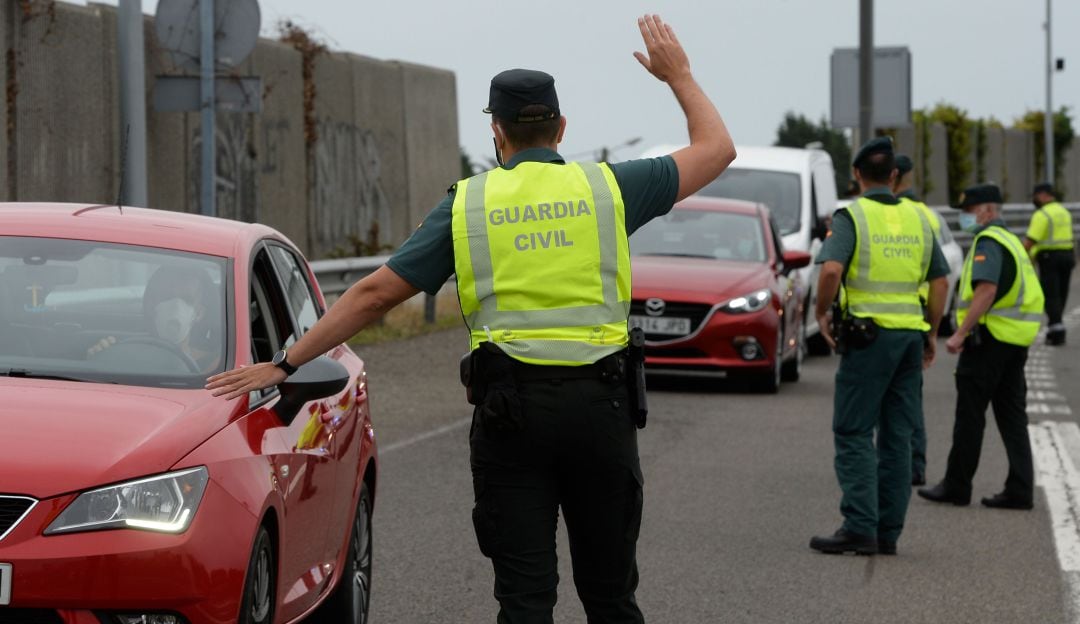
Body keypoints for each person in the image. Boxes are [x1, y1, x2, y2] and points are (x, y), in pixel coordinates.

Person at [207, 14, 735, 623]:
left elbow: (375, 294)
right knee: (611, 596)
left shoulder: (469, 205)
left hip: (512, 415)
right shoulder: (611, 188)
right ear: (562, 128)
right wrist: (679, 76)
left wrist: (284, 363)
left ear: (496, 132)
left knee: (525, 600)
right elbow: (717, 148)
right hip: (602, 411)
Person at [809, 136, 949, 556]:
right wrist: (931, 331)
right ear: (894, 176)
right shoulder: (921, 219)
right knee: (898, 437)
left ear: (855, 175)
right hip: (909, 338)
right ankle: (888, 532)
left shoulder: (852, 216)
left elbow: (831, 268)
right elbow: (940, 281)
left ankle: (859, 526)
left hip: (869, 339)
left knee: (853, 430)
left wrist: (821, 312)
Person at [918, 184, 1045, 510]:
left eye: (969, 211)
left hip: (990, 341)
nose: (965, 217)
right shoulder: (1013, 241)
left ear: (987, 211)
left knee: (970, 415)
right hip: (1014, 342)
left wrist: (960, 332)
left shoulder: (988, 241)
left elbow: (986, 291)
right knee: (1012, 416)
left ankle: (957, 486)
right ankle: (1020, 489)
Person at [893, 153, 942, 487]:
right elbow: (938, 274)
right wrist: (934, 329)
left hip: (876, 317)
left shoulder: (876, 213)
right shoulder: (927, 215)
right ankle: (915, 464)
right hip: (918, 313)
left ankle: (890, 464)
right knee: (910, 397)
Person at [88, 265, 222, 372]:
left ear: (199, 313)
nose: (176, 306)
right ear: (151, 305)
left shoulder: (216, 367)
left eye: (187, 300)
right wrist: (100, 357)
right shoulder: (122, 355)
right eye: (166, 297)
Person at [1024, 182, 1074, 346]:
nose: (1035, 199)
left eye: (1036, 196)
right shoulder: (1064, 212)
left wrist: (1022, 258)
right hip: (1068, 255)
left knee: (1051, 294)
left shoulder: (1042, 214)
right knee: (1062, 292)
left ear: (1044, 195)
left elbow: (1030, 240)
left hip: (1049, 258)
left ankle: (1056, 330)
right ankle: (1057, 325)